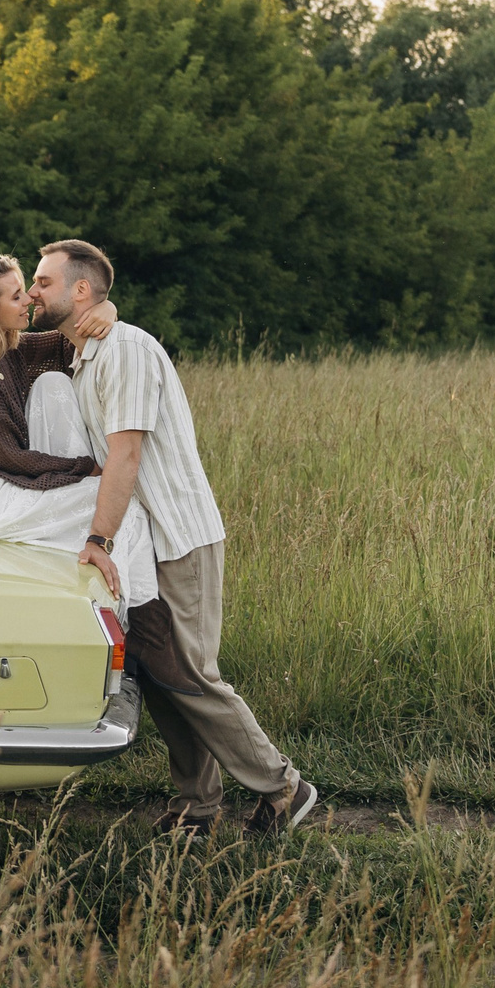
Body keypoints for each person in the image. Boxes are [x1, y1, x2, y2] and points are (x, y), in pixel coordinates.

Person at [27, 238, 317, 838]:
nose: (33, 292)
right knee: (163, 676)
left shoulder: (124, 350)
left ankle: (283, 786)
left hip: (176, 538)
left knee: (191, 674)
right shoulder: (83, 352)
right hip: (144, 545)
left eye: (43, 282)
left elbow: (125, 456)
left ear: (81, 290)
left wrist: (98, 540)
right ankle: (199, 806)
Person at [0, 255, 157, 606]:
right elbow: (10, 459)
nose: (30, 300)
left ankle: (133, 609)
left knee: (53, 383)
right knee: (118, 504)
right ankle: (136, 616)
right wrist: (86, 469)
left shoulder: (8, 352)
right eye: (17, 296)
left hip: (0, 479)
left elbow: (71, 339)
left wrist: (106, 307)